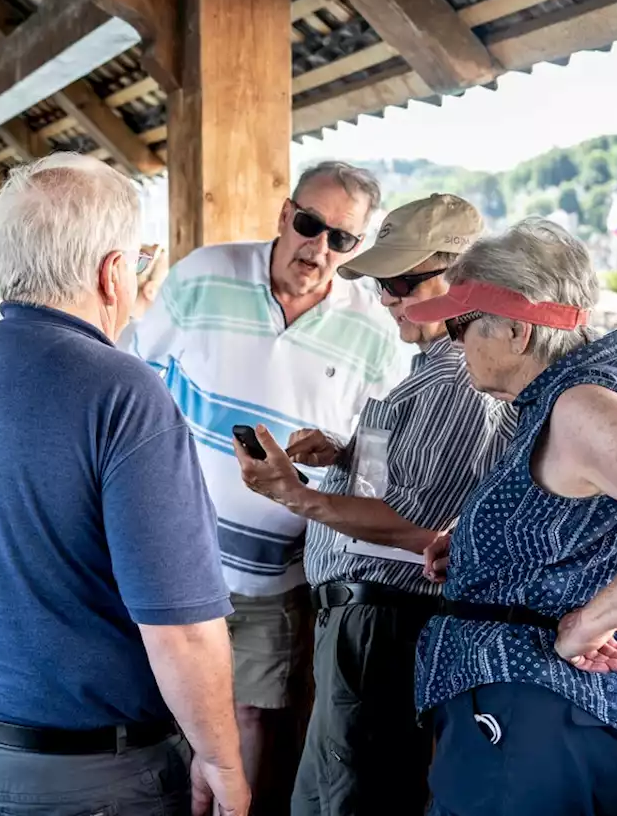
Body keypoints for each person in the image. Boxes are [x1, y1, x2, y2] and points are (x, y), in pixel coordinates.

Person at [0, 153, 249, 816]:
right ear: (113, 273)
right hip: (89, 773)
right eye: (139, 263)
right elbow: (180, 628)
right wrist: (220, 758)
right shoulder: (123, 393)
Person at [403, 219, 617, 816]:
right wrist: (482, 543)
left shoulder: (581, 403)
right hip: (536, 718)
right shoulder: (584, 392)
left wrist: (590, 623)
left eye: (460, 324)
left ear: (513, 329)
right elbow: (590, 522)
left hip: (531, 721)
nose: (454, 342)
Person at [125, 161, 410, 798]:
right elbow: (133, 383)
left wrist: (339, 451)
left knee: (251, 714)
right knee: (161, 706)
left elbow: (380, 460)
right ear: (285, 214)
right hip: (174, 551)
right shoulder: (204, 273)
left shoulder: (375, 331)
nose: (319, 248)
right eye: (310, 225)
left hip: (277, 569)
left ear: (357, 247)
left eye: (341, 239)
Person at [229, 195, 517, 815]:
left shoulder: (458, 380)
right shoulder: (428, 370)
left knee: (345, 801)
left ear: (463, 279)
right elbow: (399, 487)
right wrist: (344, 454)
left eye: (403, 281)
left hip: (381, 621)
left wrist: (293, 494)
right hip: (363, 621)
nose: (388, 297)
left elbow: (417, 524)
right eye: (385, 282)